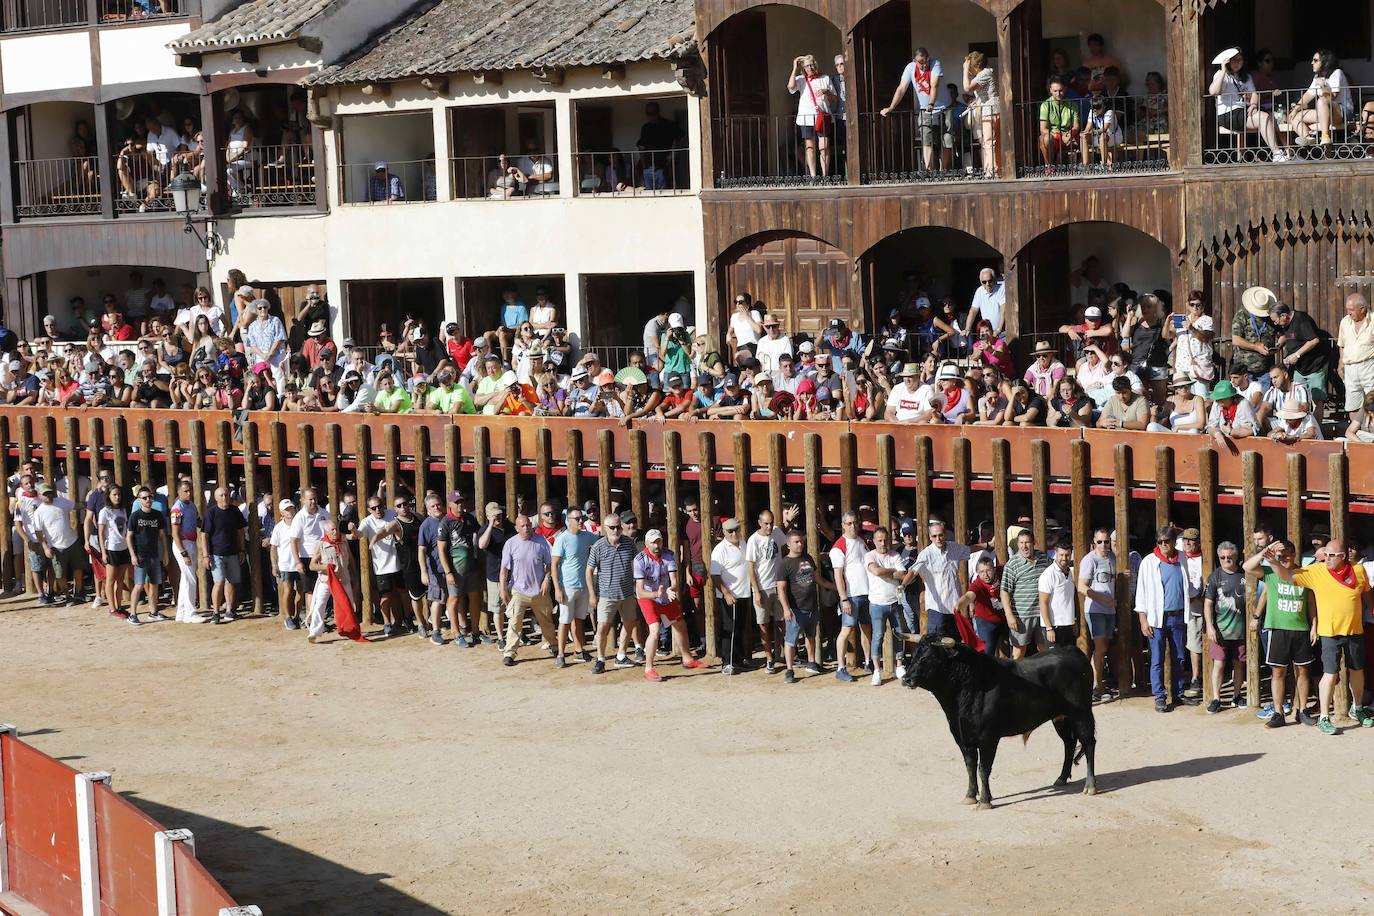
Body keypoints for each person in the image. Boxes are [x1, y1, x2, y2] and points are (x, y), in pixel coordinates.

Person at [1265, 539, 1374, 734]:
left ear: (1343, 557)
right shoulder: (1317, 571)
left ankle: (1357, 709)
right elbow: (1288, 576)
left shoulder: (1358, 571)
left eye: (1332, 555)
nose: (1327, 559)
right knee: (1330, 674)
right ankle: (1324, 717)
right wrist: (1274, 562)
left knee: (1357, 671)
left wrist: (1371, 609)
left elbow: (1366, 593)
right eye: (1326, 555)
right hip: (1329, 633)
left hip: (1355, 630)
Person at [1243, 539, 1315, 729]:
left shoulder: (1304, 573)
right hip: (1278, 629)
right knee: (1278, 671)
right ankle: (1278, 713)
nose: (1283, 559)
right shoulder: (1270, 573)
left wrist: (1314, 625)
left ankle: (1302, 710)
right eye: (1280, 556)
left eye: (1287, 555)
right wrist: (1265, 551)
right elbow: (1247, 566)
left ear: (1294, 554)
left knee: (1303, 671)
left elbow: (1311, 602)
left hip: (1301, 629)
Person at [1136, 526, 1201, 713]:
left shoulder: (1182, 558)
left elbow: (1186, 584)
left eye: (1167, 541)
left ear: (1174, 542)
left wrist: (1198, 592)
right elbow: (1141, 593)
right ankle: (1160, 697)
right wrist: (1143, 619)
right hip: (1157, 618)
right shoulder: (1149, 562)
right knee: (1156, 659)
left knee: (1179, 657)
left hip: (1178, 615)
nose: (1164, 545)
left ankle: (1179, 694)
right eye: (1160, 542)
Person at [634, 529, 702, 682]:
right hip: (648, 597)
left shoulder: (669, 554)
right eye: (653, 542)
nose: (657, 545)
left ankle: (687, 658)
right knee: (655, 630)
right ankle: (649, 668)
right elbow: (640, 590)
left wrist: (672, 589)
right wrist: (656, 594)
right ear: (646, 543)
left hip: (665, 595)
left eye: (659, 541)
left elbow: (674, 580)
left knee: (679, 624)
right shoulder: (640, 559)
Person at [1208, 48, 1289, 162]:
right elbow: (1213, 91)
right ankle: (1276, 153)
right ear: (1228, 61)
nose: (1237, 63)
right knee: (1263, 117)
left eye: (1239, 60)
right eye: (1233, 60)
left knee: (1270, 116)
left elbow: (1254, 94)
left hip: (1244, 110)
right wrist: (1222, 70)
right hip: (1228, 114)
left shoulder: (1246, 77)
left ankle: (1288, 152)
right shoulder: (1221, 75)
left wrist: (1253, 105)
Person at [880, 47, 947, 173]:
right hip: (925, 109)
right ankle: (929, 171)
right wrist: (891, 107)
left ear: (928, 58)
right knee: (927, 140)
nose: (924, 65)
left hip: (944, 107)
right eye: (920, 62)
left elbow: (934, 85)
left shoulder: (935, 63)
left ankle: (946, 171)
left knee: (946, 140)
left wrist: (931, 103)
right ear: (914, 61)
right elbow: (901, 88)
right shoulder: (910, 68)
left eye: (925, 61)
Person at [1202, 541, 1248, 714]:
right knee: (1219, 664)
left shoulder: (1245, 574)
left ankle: (1237, 696)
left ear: (1236, 557)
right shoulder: (1215, 577)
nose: (1227, 560)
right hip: (1220, 630)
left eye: (1230, 557)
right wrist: (1210, 626)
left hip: (1241, 630)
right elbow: (1208, 604)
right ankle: (1216, 698)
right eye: (1223, 557)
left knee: (1239, 664)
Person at [828, 511, 872, 682]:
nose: (853, 526)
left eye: (855, 523)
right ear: (843, 525)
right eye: (849, 523)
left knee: (866, 628)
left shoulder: (862, 541)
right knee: (846, 630)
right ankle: (841, 667)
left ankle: (868, 662)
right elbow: (838, 575)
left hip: (866, 593)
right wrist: (844, 598)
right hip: (851, 595)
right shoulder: (839, 547)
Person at [776, 531, 825, 684]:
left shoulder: (808, 558)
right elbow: (781, 589)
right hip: (796, 609)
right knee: (791, 640)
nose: (800, 544)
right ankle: (789, 670)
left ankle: (811, 662)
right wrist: (786, 609)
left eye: (801, 542)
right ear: (789, 544)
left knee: (811, 636)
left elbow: (817, 579)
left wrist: (835, 587)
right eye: (796, 542)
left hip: (811, 606)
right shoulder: (785, 563)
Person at [551, 506, 596, 666]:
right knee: (564, 621)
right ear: (568, 520)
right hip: (567, 587)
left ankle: (579, 650)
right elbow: (554, 565)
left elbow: (601, 541)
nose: (580, 521)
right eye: (577, 518)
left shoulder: (587, 536)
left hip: (583, 586)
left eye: (581, 518)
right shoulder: (562, 539)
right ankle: (561, 654)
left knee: (579, 619)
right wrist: (557, 588)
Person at [1270, 302, 1329, 421]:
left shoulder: (1302, 319)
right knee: (1296, 398)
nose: (1275, 323)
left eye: (1275, 320)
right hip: (1298, 368)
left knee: (1316, 399)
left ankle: (1316, 430)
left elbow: (1314, 340)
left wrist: (1297, 355)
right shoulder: (1285, 323)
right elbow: (1285, 336)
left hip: (1315, 366)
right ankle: (1298, 426)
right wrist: (1279, 345)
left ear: (1283, 315)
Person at [745, 509, 788, 673]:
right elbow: (750, 567)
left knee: (782, 621)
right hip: (762, 587)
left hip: (778, 585)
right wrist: (756, 591)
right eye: (766, 523)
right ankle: (769, 659)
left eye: (771, 523)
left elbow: (784, 549)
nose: (769, 527)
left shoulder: (777, 532)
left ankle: (790, 654)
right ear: (759, 522)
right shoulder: (753, 540)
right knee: (763, 624)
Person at [435, 491, 479, 647]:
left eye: (462, 501)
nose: (461, 505)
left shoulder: (469, 518)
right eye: (457, 502)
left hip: (471, 567)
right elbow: (441, 550)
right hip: (456, 568)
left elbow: (478, 535)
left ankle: (475, 632)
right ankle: (456, 634)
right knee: (454, 599)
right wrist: (448, 572)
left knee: (474, 596)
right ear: (450, 505)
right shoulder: (445, 523)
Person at [357, 495, 404, 637]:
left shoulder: (391, 513)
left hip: (399, 562)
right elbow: (358, 535)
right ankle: (387, 623)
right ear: (369, 510)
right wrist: (352, 530)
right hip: (382, 566)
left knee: (399, 594)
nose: (378, 510)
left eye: (380, 506)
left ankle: (401, 621)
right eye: (373, 508)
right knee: (386, 596)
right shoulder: (367, 522)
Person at [711, 518, 753, 675]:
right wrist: (726, 593)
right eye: (730, 531)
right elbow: (715, 575)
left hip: (744, 593)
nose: (734, 533)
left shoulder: (744, 542)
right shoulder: (720, 550)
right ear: (724, 532)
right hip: (729, 595)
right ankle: (727, 662)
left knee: (741, 627)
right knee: (729, 628)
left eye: (736, 529)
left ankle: (738, 660)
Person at [1078, 528, 1117, 701]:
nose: (1103, 545)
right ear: (1094, 542)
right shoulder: (1089, 559)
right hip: (1095, 609)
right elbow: (1082, 586)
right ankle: (1096, 686)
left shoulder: (1112, 558)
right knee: (1100, 648)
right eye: (1100, 542)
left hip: (1109, 609)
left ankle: (1097, 685)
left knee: (1104, 648)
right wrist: (1102, 599)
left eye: (1106, 541)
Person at [1001, 529, 1050, 659]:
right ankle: (1014, 679)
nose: (1024, 546)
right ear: (1017, 544)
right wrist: (1009, 616)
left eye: (1027, 542)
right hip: (1022, 615)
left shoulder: (1044, 558)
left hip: (1042, 613)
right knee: (1019, 651)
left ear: (1034, 543)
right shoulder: (1012, 564)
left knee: (1044, 649)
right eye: (1021, 543)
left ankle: (1044, 678)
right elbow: (1004, 591)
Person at [1287, 49, 1351, 149]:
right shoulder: (1317, 77)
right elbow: (1308, 95)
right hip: (1325, 111)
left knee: (1322, 100)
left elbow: (1332, 97)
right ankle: (1308, 138)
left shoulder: (1336, 73)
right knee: (1295, 117)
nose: (1312, 62)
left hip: (1343, 112)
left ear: (1325, 62)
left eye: (1315, 60)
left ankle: (1325, 137)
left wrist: (1323, 85)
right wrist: (1295, 109)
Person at [201, 486, 246, 623]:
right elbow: (204, 535)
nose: (224, 498)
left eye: (226, 495)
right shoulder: (211, 513)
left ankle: (229, 610)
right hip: (216, 554)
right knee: (219, 582)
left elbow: (240, 531)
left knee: (231, 582)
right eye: (221, 495)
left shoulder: (235, 511)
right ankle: (215, 612)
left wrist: (242, 550)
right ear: (215, 498)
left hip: (233, 552)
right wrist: (205, 555)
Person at [787, 55, 837, 179]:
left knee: (824, 147)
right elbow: (790, 87)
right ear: (804, 68)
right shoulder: (801, 79)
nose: (811, 67)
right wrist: (794, 67)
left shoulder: (825, 78)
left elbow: (834, 98)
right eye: (808, 65)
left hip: (822, 116)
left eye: (812, 64)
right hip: (806, 117)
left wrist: (826, 92)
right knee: (810, 147)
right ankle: (814, 176)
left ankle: (825, 176)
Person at [31, 483, 82, 605]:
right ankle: (67, 595)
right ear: (40, 496)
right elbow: (38, 532)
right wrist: (45, 548)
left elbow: (76, 505)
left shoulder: (61, 501)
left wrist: (91, 504)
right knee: (59, 574)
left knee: (78, 568)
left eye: (49, 492)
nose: (48, 495)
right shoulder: (39, 512)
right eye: (45, 494)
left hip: (72, 541)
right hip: (55, 546)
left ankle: (79, 593)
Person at [306, 518, 354, 644]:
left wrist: (354, 574)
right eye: (332, 530)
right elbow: (312, 566)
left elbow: (350, 558)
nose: (335, 532)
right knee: (319, 605)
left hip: (343, 579)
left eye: (336, 529)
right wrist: (325, 567)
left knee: (348, 604)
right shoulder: (321, 545)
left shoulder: (343, 541)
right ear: (326, 532)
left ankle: (348, 629)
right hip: (326, 580)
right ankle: (314, 632)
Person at [168, 479, 208, 623]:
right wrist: (183, 552)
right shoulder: (177, 509)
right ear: (179, 492)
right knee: (191, 578)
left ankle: (182, 611)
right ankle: (190, 612)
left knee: (186, 578)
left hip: (191, 542)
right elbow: (175, 533)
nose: (189, 493)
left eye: (190, 490)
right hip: (183, 544)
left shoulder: (191, 505)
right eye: (185, 491)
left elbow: (197, 521)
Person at [126, 486, 167, 624]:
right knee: (139, 584)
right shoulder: (135, 516)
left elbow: (162, 535)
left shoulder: (157, 514)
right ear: (139, 500)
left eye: (150, 497)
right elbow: (129, 536)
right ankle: (132, 614)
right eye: (145, 498)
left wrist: (165, 552)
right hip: (140, 555)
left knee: (155, 584)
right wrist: (132, 554)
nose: (148, 500)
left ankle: (153, 611)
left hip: (154, 553)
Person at [1338, 293, 1374, 434]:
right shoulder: (1345, 322)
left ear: (1363, 309)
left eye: (1351, 309)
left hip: (1369, 365)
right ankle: (1357, 433)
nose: (1348, 313)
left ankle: (1371, 432)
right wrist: (1341, 364)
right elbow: (1342, 345)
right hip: (1350, 368)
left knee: (1372, 399)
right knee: (1352, 404)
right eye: (1347, 309)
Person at [98, 485, 132, 622]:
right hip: (111, 548)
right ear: (109, 496)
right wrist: (103, 552)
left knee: (120, 579)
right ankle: (112, 608)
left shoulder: (123, 510)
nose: (117, 497)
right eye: (114, 495)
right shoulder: (105, 512)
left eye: (118, 494)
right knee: (110, 580)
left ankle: (119, 606)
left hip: (123, 547)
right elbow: (101, 533)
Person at [270, 498, 303, 629]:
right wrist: (274, 565)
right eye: (286, 509)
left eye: (291, 508)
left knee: (301, 590)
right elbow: (273, 548)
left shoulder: (300, 523)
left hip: (299, 562)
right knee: (288, 590)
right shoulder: (278, 528)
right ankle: (287, 617)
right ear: (281, 512)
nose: (290, 511)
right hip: (285, 564)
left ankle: (297, 616)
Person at [1038, 543, 1078, 647]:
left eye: (1067, 555)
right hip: (1054, 626)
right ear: (1056, 553)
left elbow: (1068, 600)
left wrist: (1073, 622)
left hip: (1068, 625)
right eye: (1061, 555)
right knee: (1054, 661)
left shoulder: (1070, 572)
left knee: (1068, 661)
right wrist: (1049, 628)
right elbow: (1043, 603)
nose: (1064, 558)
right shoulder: (1048, 574)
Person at [1038, 75, 1079, 167]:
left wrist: (1069, 134)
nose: (1058, 93)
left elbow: (1076, 126)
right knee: (1044, 138)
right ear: (1050, 90)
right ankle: (1049, 165)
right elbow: (1043, 129)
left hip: (1069, 137)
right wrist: (1059, 136)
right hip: (1054, 138)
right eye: (1055, 91)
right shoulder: (1045, 105)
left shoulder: (1073, 104)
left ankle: (1082, 167)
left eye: (1060, 90)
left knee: (1083, 137)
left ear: (1065, 89)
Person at [963, 269, 1005, 340]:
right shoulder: (979, 291)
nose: (987, 284)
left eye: (990, 281)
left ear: (994, 279)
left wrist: (999, 329)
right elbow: (973, 311)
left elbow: (1003, 309)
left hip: (1002, 333)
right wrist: (967, 328)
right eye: (984, 282)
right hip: (987, 333)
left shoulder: (1001, 288)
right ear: (981, 282)